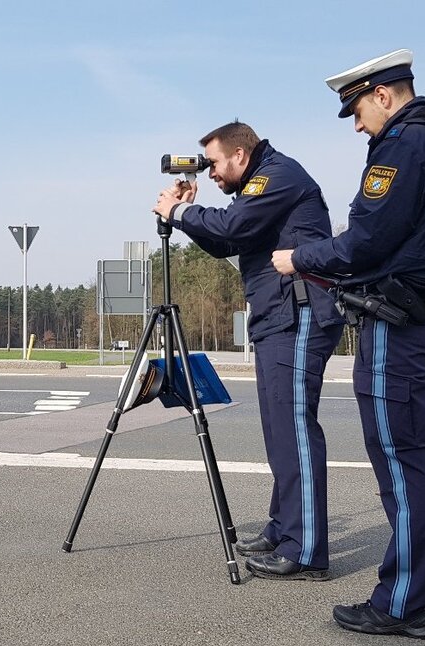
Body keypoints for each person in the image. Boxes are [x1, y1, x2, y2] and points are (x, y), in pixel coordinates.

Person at [271, 50, 425, 638]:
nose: (360, 126)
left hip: (399, 322)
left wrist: (298, 258)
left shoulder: (404, 146)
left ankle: (402, 603)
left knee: (403, 461)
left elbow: (366, 241)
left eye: (359, 111)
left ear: (384, 95)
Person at [153, 121, 345, 581]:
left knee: (294, 428)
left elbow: (235, 224)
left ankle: (306, 550)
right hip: (277, 317)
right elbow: (227, 242)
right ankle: (284, 528)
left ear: (240, 155)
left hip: (298, 316)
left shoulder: (277, 176)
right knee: (279, 429)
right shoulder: (257, 187)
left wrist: (178, 214)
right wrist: (188, 214)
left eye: (215, 163)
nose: (211, 172)